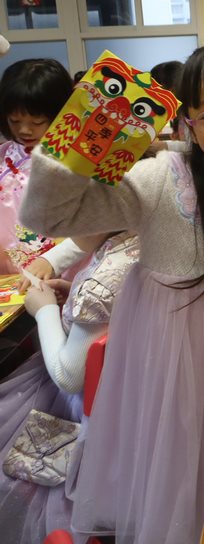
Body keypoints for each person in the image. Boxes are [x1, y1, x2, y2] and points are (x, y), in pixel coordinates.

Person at [20, 39, 204, 544]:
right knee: (179, 486)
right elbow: (49, 217)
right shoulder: (160, 178)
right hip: (172, 369)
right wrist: (73, 147)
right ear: (188, 124)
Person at [0, 231, 138, 543]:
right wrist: (74, 294)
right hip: (123, 394)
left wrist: (44, 311)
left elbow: (68, 376)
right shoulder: (133, 245)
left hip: (83, 404)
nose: (68, 235)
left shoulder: (104, 282)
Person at [0, 59, 73, 274]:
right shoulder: (4, 155)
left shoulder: (77, 158)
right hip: (8, 272)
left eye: (37, 122)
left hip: (62, 267)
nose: (24, 130)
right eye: (14, 121)